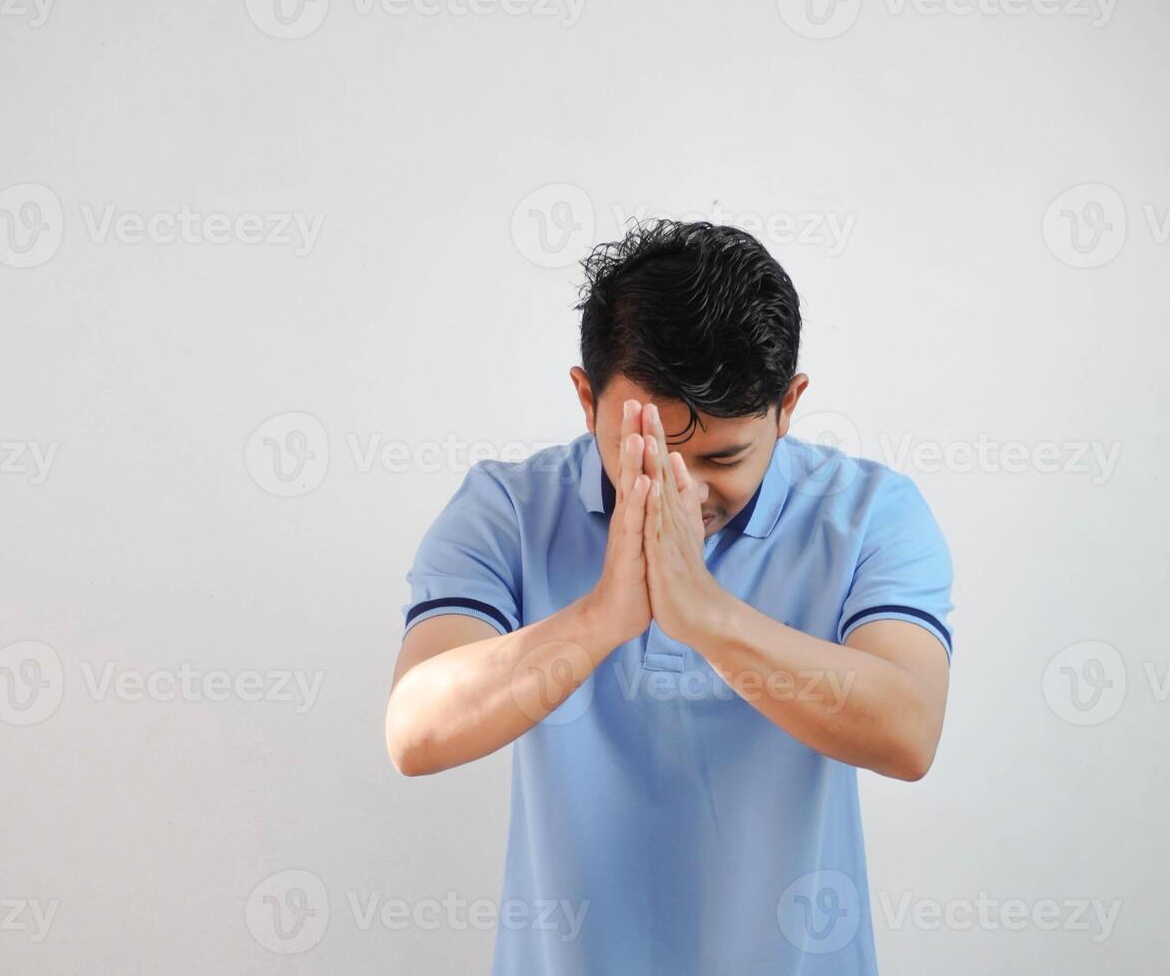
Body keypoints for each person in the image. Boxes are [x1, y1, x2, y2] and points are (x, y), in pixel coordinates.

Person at [387, 219, 955, 975]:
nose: (684, 490)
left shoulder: (869, 514)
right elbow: (415, 731)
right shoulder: (509, 509)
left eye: (724, 457)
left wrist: (707, 617)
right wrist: (600, 618)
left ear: (789, 405)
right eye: (647, 453)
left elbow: (909, 731)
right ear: (586, 398)